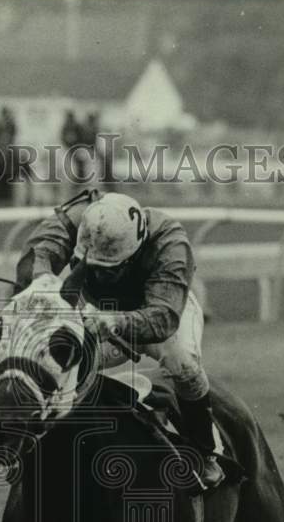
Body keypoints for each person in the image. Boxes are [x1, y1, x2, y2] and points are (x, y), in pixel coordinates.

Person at [16, 189, 224, 489]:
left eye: (109, 270)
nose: (99, 278)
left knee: (184, 365)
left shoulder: (170, 242)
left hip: (160, 310)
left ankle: (205, 452)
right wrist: (42, 283)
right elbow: (37, 254)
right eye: (93, 268)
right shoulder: (79, 218)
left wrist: (116, 320)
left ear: (135, 251)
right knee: (58, 366)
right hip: (95, 312)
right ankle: (36, 448)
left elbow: (163, 318)